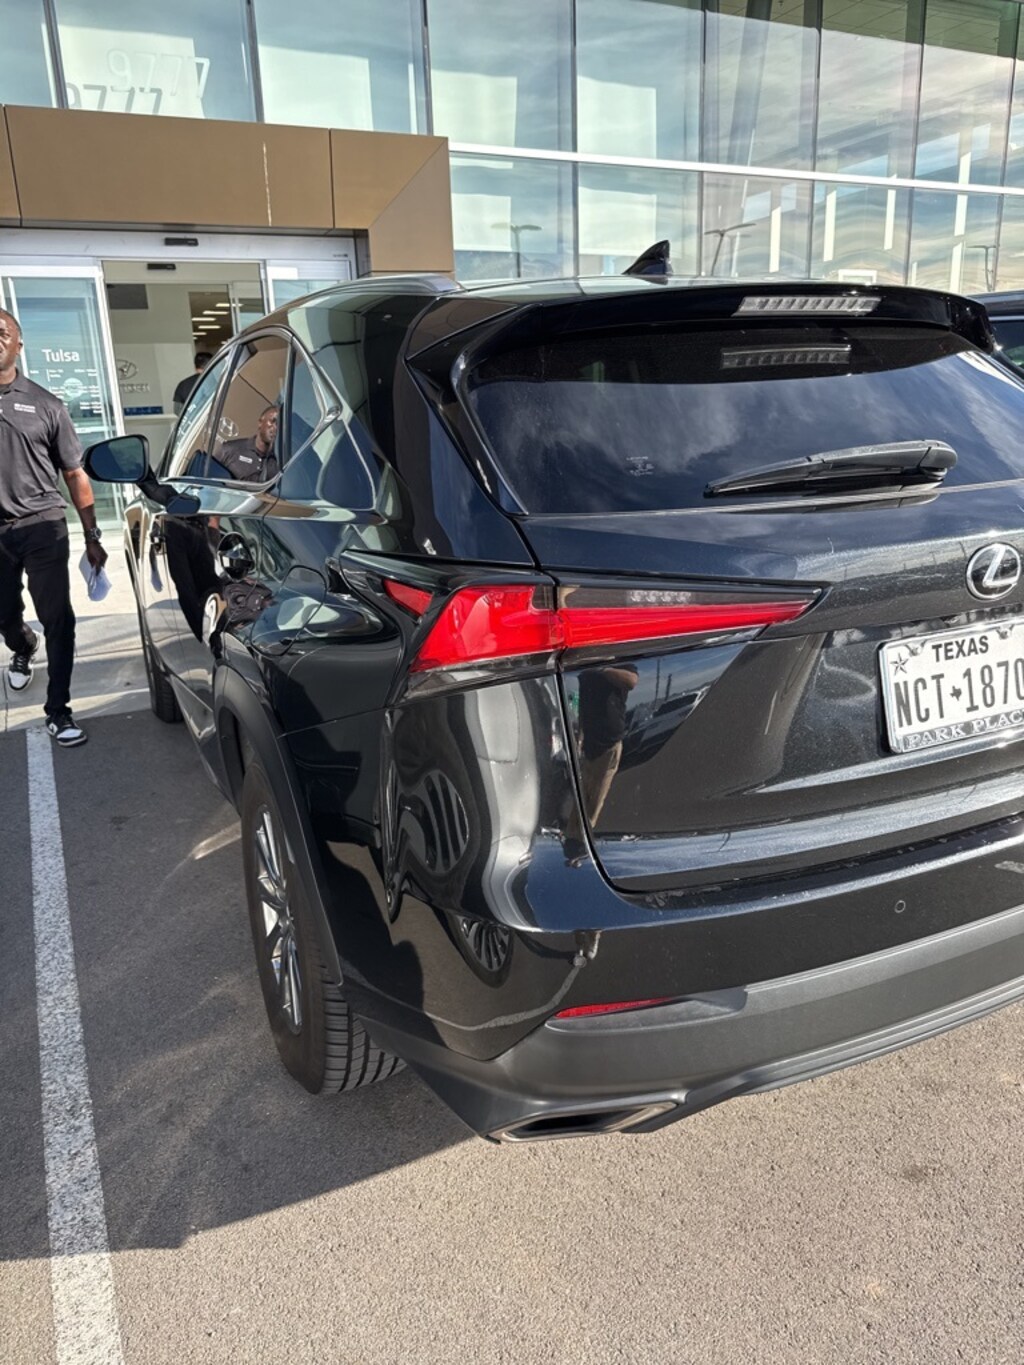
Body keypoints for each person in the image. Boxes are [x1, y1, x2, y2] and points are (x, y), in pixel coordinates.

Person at [0, 308, 108, 747]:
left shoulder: (47, 404)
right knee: (5, 615)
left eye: (1, 332)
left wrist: (93, 536)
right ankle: (23, 646)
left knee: (58, 618)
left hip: (43, 526)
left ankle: (58, 711)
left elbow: (75, 473)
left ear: (18, 344)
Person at [215, 405, 280, 481]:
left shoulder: (276, 465)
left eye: (278, 424)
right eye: (272, 421)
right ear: (260, 422)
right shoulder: (230, 450)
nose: (275, 427)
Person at [172, 350, 212, 415]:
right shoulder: (218, 381)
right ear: (212, 364)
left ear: (195, 366)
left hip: (194, 420)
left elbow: (177, 410)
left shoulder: (183, 385)